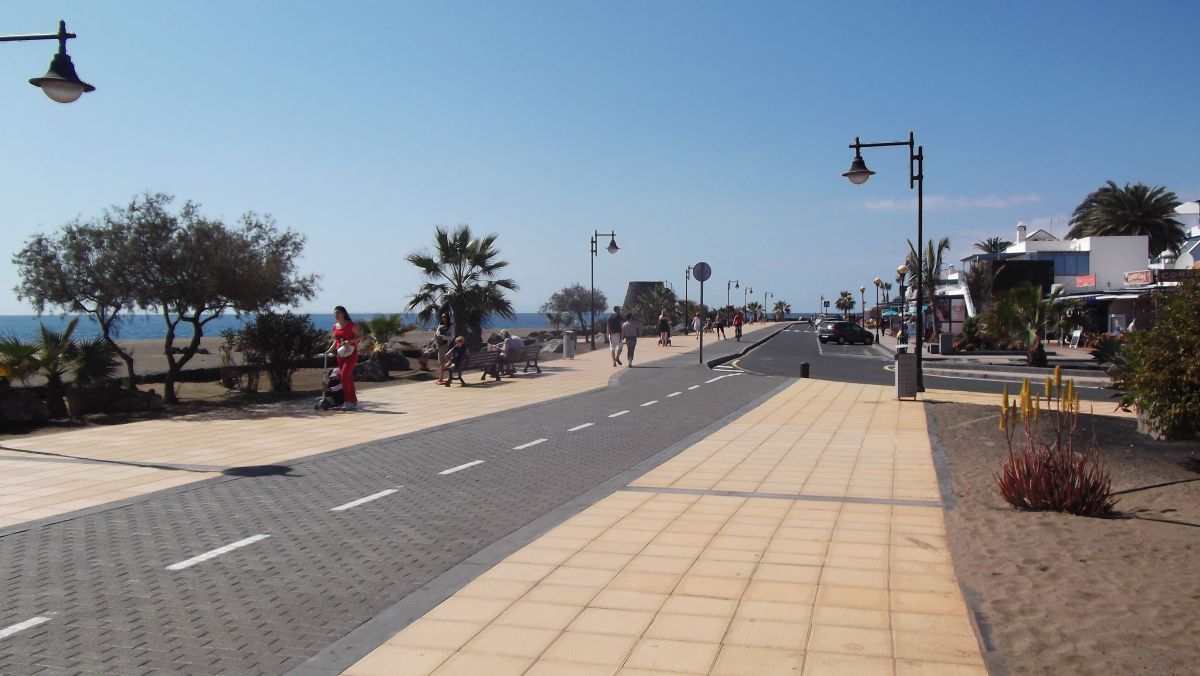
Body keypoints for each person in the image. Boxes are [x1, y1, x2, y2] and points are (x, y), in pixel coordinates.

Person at [326, 306, 359, 410]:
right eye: (335, 313)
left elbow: (360, 336)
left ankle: (348, 401)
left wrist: (349, 342)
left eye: (338, 313)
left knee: (344, 377)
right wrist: (329, 350)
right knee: (348, 378)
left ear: (343, 314)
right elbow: (336, 341)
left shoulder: (350, 325)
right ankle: (353, 401)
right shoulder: (335, 326)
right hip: (340, 355)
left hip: (351, 354)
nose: (336, 315)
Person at [435, 313, 452, 385]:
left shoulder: (451, 326)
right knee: (441, 363)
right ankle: (441, 378)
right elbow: (437, 333)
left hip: (446, 345)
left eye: (445, 317)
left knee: (447, 362)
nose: (443, 318)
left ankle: (449, 377)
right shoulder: (439, 326)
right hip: (440, 345)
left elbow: (452, 336)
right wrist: (438, 336)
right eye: (442, 317)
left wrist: (443, 337)